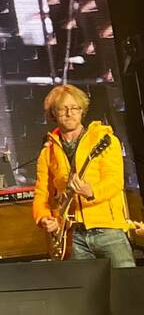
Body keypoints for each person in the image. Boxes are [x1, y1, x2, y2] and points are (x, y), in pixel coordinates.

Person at [33, 84, 138, 267]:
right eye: (63, 109)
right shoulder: (47, 153)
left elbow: (115, 181)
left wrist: (91, 192)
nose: (70, 113)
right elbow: (42, 193)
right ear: (53, 113)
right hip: (73, 235)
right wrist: (44, 218)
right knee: (83, 293)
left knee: (125, 286)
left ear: (82, 111)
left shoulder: (104, 140)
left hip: (109, 229)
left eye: (75, 108)